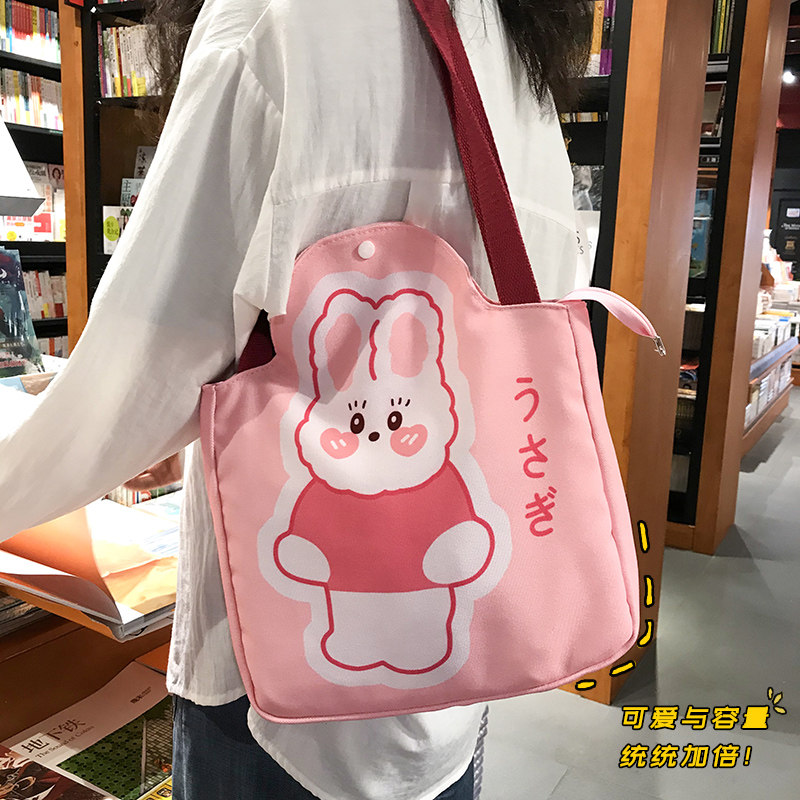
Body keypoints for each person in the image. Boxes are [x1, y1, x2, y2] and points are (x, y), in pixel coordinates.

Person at [0, 0, 592, 797]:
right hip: (458, 678)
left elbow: (144, 370)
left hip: (275, 705)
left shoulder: (272, 19)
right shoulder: (515, 49)